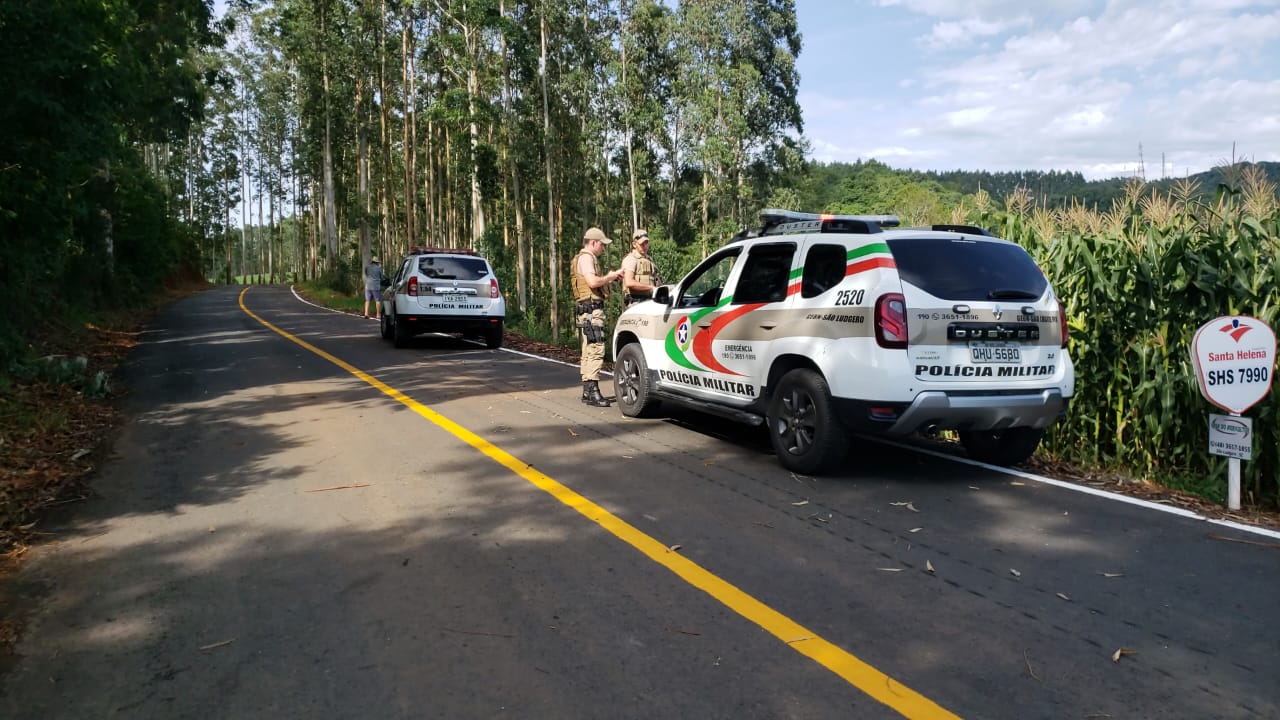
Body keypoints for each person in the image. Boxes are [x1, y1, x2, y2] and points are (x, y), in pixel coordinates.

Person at [571, 227, 623, 406]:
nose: (603, 248)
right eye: (602, 244)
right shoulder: (586, 258)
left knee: (588, 349)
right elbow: (593, 282)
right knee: (596, 348)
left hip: (586, 310)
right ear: (592, 242)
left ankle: (587, 389)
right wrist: (609, 277)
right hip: (592, 311)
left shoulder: (583, 258)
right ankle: (593, 391)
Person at [621, 228, 661, 305]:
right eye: (642, 244)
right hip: (636, 303)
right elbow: (629, 282)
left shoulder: (649, 260)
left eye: (646, 243)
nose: (645, 246)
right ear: (634, 244)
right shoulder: (631, 259)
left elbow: (657, 282)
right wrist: (650, 287)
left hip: (650, 302)